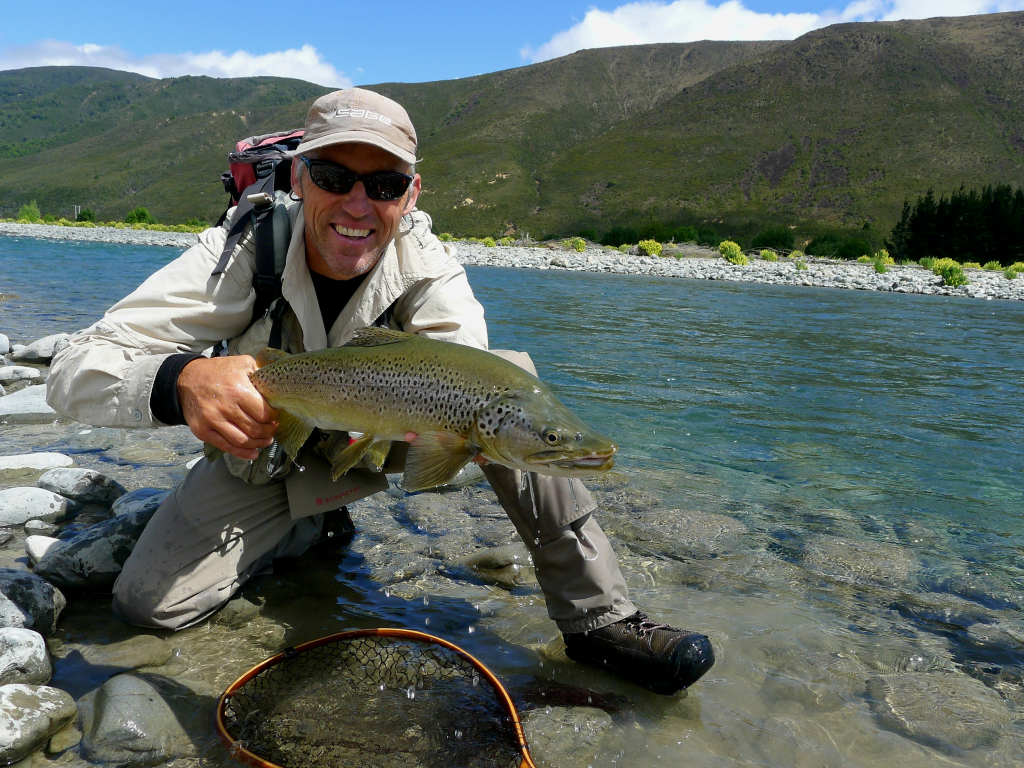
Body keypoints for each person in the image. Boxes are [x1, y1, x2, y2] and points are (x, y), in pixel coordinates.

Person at [46, 88, 714, 695]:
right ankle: (307, 524)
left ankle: (602, 619)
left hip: (389, 437)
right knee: (149, 607)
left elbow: (474, 373)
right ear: (302, 178)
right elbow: (73, 367)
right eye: (335, 178)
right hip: (273, 443)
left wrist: (468, 442)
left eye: (385, 184)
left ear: (412, 193)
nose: (358, 205)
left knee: (510, 385)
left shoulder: (429, 270)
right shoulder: (244, 252)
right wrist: (182, 380)